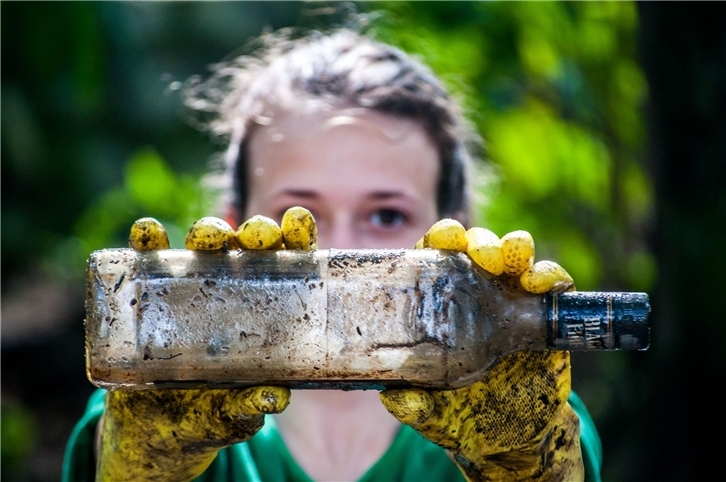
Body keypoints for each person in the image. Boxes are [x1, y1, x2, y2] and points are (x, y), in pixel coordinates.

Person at [63, 28, 602, 481]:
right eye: (297, 214)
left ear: (460, 241)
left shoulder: (527, 413)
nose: (338, 250)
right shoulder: (159, 398)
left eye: (386, 215)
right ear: (229, 230)